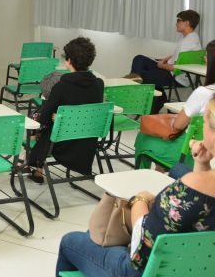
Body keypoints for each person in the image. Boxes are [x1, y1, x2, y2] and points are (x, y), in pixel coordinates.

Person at [56, 97, 215, 277]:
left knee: (70, 242)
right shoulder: (199, 183)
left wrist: (140, 200)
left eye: (203, 123)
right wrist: (202, 166)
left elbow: (143, 242)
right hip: (201, 270)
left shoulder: (191, 187)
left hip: (143, 271)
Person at [25, 37, 104, 183]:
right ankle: (35, 167)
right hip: (87, 141)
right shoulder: (99, 84)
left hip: (62, 143)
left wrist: (60, 117)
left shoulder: (62, 87)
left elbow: (43, 119)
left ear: (68, 60)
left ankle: (36, 168)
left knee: (36, 119)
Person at [135, 39, 215, 177]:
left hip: (192, 154)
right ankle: (158, 174)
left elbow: (178, 125)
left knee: (144, 136)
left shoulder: (204, 93)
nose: (204, 59)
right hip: (209, 156)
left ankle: (141, 180)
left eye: (206, 56)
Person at [125, 9, 201, 90]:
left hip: (176, 78)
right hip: (173, 73)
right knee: (139, 59)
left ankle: (130, 87)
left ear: (187, 23)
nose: (176, 24)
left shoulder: (187, 42)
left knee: (140, 75)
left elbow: (176, 68)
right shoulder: (192, 36)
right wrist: (166, 59)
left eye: (178, 20)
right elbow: (182, 55)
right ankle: (155, 96)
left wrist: (161, 65)